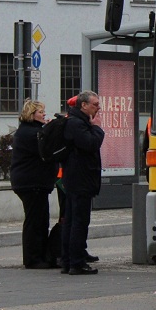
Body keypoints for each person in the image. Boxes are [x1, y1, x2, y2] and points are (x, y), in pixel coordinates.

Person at [10, 99, 58, 269]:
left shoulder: (30, 131)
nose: (44, 114)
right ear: (31, 115)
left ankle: (39, 255)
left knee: (40, 219)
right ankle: (33, 258)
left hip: (33, 181)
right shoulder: (31, 134)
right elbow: (46, 151)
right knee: (35, 221)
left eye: (43, 112)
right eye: (40, 112)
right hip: (31, 182)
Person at [61, 90, 104, 276]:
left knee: (72, 220)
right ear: (83, 105)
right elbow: (91, 144)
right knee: (78, 221)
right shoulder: (77, 123)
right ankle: (76, 263)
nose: (98, 107)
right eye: (95, 104)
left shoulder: (76, 121)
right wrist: (98, 128)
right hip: (80, 180)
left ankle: (68, 260)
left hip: (76, 178)